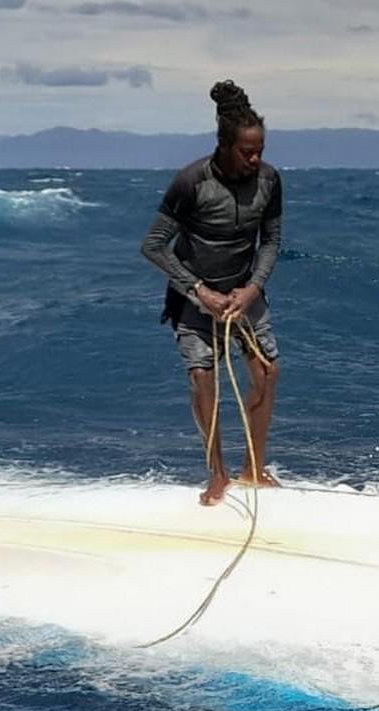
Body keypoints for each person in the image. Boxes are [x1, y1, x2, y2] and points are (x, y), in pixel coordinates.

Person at [141, 80, 282, 506]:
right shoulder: (191, 182)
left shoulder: (270, 180)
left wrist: (252, 288)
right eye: (246, 152)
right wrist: (199, 291)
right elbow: (153, 246)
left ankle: (253, 467)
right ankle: (217, 473)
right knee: (204, 380)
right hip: (194, 299)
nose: (255, 159)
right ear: (224, 146)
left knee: (267, 372)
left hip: (244, 295)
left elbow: (271, 241)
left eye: (259, 150)